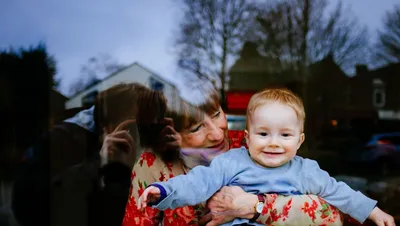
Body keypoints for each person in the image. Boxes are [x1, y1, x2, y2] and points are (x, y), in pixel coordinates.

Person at [138, 88, 395, 226]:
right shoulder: (231, 161)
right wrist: (163, 191)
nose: (273, 143)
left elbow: (339, 194)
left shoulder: (306, 171)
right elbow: (197, 182)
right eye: (263, 134)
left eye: (285, 135)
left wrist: (372, 210)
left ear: (300, 141)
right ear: (247, 137)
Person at [11, 83, 180, 226]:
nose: (143, 140)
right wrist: (99, 164)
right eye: (136, 129)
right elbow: (27, 206)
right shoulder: (61, 142)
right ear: (105, 127)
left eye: (151, 128)